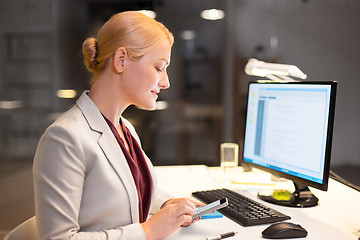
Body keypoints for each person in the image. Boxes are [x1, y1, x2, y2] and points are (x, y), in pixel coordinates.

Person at [33, 11, 202, 240]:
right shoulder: (64, 138)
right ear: (121, 60)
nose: (165, 82)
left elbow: (131, 191)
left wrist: (168, 205)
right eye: (158, 67)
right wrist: (148, 231)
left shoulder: (125, 129)